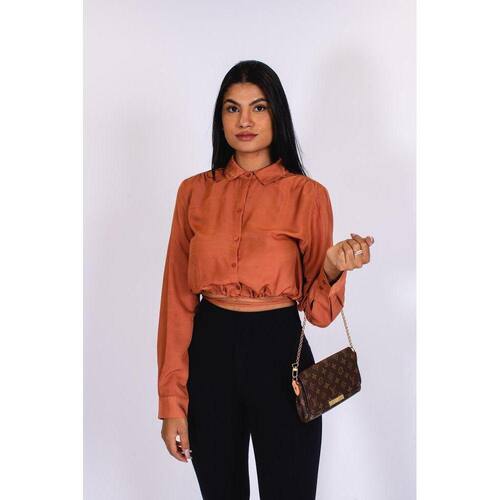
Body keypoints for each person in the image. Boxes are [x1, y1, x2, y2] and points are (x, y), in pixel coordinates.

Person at [157, 60, 374, 500]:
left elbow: (319, 313)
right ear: (220, 118)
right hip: (210, 353)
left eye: (258, 108)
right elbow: (176, 301)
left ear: (277, 114)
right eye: (232, 108)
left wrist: (333, 267)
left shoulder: (308, 196)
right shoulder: (193, 193)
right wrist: (171, 403)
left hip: (281, 354)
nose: (245, 121)